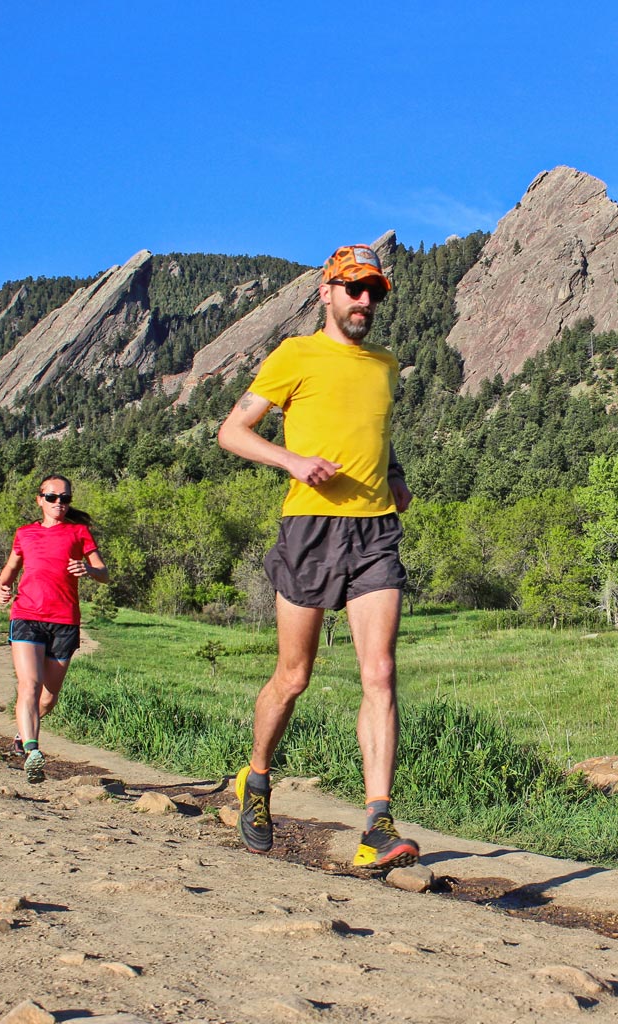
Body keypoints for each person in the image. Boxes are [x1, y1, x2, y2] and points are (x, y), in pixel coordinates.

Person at [217, 243, 418, 869]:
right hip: (309, 528)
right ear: (326, 293)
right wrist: (295, 462)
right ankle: (256, 779)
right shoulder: (295, 355)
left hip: (375, 531)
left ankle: (377, 823)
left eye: (374, 292)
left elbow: (374, 434)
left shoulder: (386, 364)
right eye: (353, 289)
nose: (365, 301)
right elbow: (232, 431)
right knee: (293, 677)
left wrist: (396, 474)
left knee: (379, 673)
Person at [0, 474, 109, 784]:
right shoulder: (25, 534)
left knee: (47, 699)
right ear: (39, 499)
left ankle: (22, 735)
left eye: (65, 498)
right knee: (29, 685)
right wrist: (1, 589)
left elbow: (104, 572)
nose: (59, 503)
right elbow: (9, 572)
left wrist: (88, 569)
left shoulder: (78, 532)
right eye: (52, 497)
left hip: (64, 621)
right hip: (27, 615)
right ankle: (32, 750)